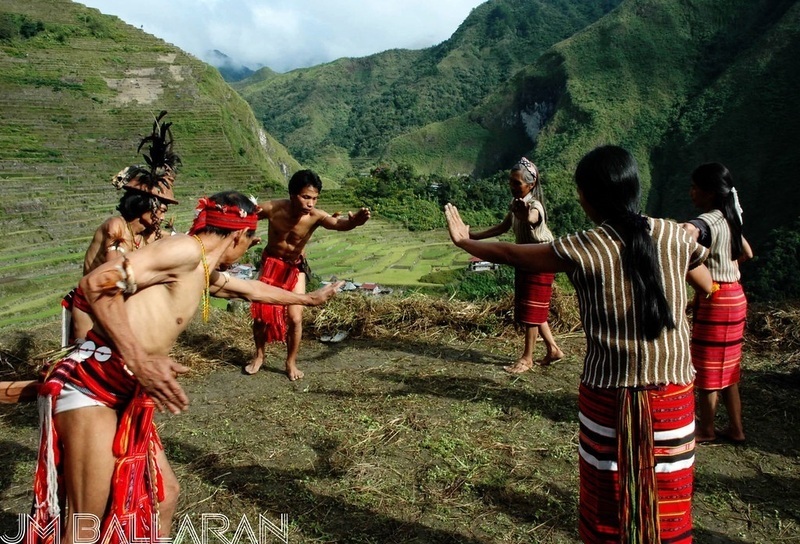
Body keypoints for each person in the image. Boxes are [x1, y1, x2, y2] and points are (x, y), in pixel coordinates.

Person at [32, 191, 344, 544]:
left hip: (130, 390)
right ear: (238, 236)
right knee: (86, 521)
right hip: (94, 385)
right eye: (248, 243)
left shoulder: (201, 266)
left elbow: (249, 289)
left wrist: (306, 299)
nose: (246, 252)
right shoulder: (184, 250)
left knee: (164, 499)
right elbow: (95, 285)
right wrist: (139, 357)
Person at [444, 145, 713, 543]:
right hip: (672, 395)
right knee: (669, 503)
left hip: (608, 395)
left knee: (606, 504)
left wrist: (465, 242)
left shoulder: (584, 246)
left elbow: (512, 253)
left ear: (586, 197)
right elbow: (707, 285)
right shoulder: (673, 234)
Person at [64, 111, 180, 346]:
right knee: (83, 361)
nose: (164, 212)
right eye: (162, 207)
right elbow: (114, 269)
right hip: (92, 303)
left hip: (121, 304)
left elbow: (182, 244)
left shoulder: (151, 235)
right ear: (146, 205)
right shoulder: (116, 227)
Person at [245, 169, 371, 380]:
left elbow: (339, 225)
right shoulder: (272, 208)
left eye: (314, 198)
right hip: (270, 264)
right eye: (306, 197)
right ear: (293, 194)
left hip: (295, 268)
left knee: (295, 318)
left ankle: (291, 362)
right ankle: (259, 356)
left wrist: (355, 222)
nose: (311, 203)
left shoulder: (315, 216)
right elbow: (245, 216)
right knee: (261, 316)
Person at [467, 157, 564, 373]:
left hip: (540, 258)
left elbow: (533, 218)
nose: (512, 187)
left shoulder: (534, 205)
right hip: (526, 258)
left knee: (532, 308)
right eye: (511, 182)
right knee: (534, 306)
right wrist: (472, 237)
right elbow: (501, 228)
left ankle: (527, 358)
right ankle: (554, 349)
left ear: (531, 185)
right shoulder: (515, 205)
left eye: (517, 183)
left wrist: (525, 216)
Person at [682, 162, 753, 445]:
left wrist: (702, 276)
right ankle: (736, 429)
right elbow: (746, 252)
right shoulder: (730, 217)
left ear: (709, 192)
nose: (691, 192)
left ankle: (707, 429)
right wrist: (726, 265)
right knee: (729, 367)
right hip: (736, 295)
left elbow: (689, 232)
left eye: (695, 187)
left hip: (716, 297)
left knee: (707, 367)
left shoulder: (707, 221)